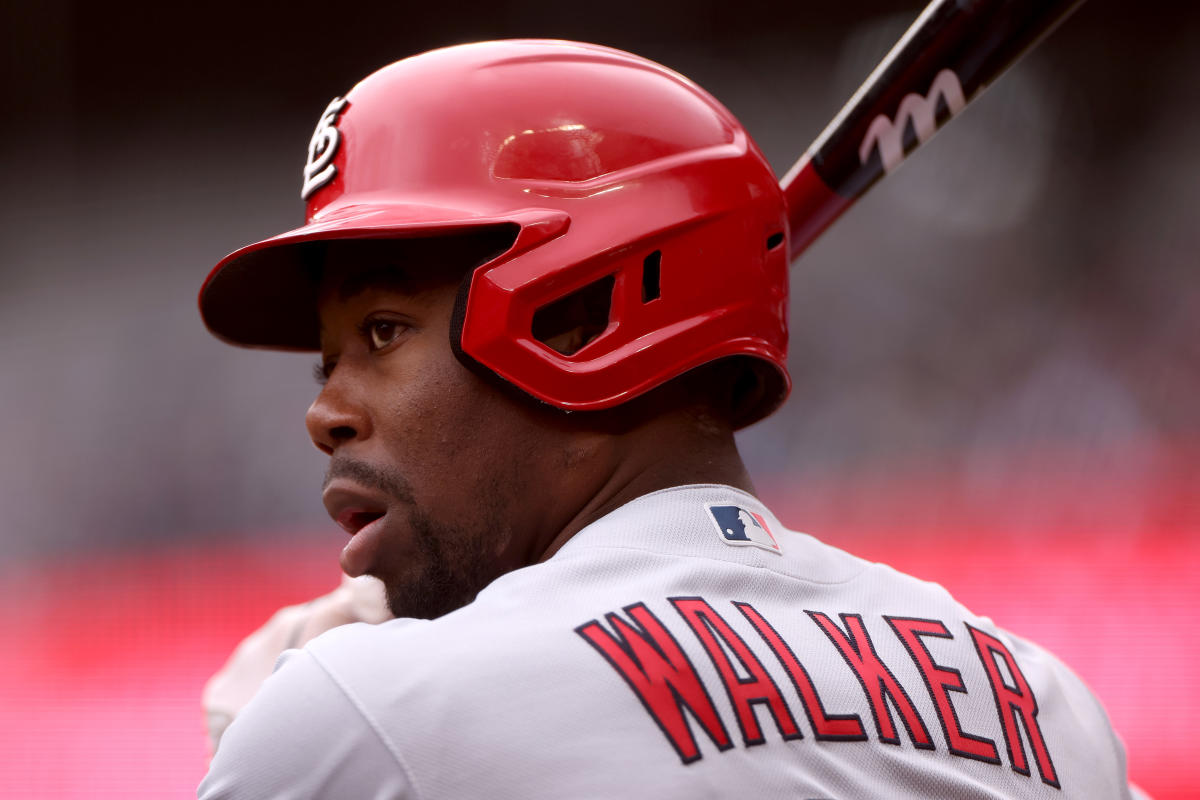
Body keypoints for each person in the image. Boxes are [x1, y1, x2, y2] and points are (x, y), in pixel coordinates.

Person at [197, 40, 1140, 799]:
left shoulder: (366, 714)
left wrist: (277, 738)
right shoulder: (1046, 710)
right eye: (329, 362)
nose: (325, 412)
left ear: (578, 315)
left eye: (383, 330)